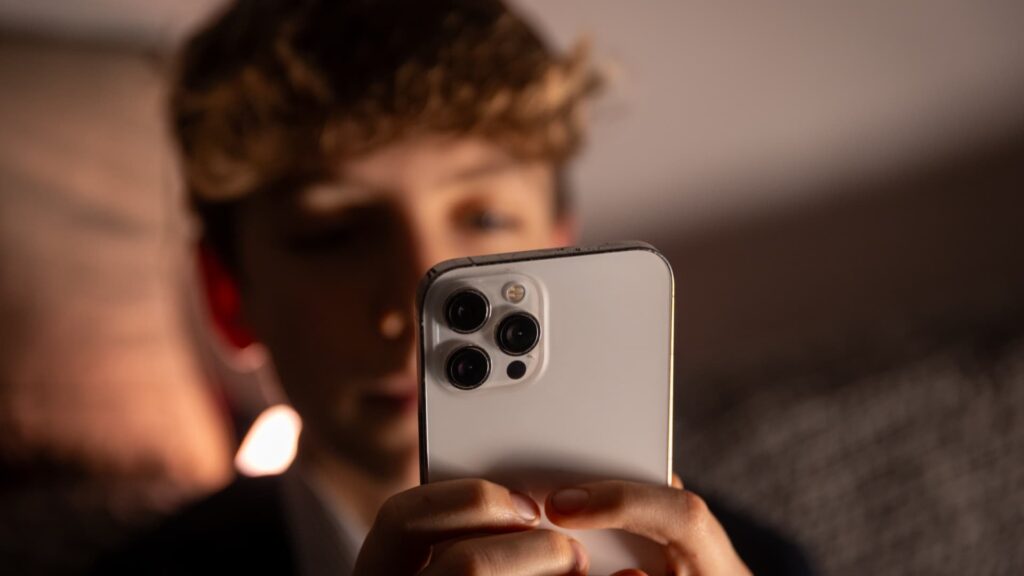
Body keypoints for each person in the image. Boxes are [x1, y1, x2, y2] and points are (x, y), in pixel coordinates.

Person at [105, 0, 813, 574]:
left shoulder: (756, 563)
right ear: (229, 297)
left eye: (485, 217)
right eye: (334, 234)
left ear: (558, 255)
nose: (417, 300)